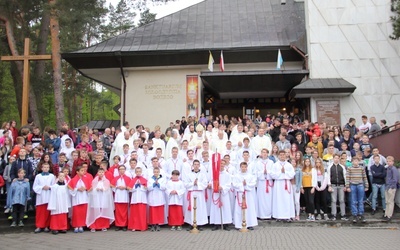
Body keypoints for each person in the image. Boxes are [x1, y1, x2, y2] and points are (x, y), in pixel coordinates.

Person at [183, 159, 208, 230]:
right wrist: (193, 183)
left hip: (199, 193)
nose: (196, 166)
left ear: (199, 166)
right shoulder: (189, 175)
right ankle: (191, 223)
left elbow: (205, 184)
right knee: (191, 209)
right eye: (195, 164)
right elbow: (186, 184)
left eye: (197, 164)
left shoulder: (202, 175)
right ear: (192, 166)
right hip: (192, 193)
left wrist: (198, 183)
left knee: (200, 209)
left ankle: (200, 223)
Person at [232, 161, 258, 229]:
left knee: (249, 209)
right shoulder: (237, 176)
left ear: (247, 168)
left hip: (248, 194)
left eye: (245, 167)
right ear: (240, 167)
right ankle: (239, 224)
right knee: (239, 209)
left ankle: (249, 224)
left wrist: (246, 184)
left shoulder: (250, 176)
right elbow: (234, 184)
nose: (243, 168)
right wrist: (241, 185)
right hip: (240, 194)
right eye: (242, 167)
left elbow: (253, 184)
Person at [209, 159, 232, 231]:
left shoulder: (227, 174)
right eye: (220, 163)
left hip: (224, 194)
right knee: (216, 209)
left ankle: (226, 224)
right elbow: (211, 181)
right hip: (216, 193)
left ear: (225, 165)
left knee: (225, 208)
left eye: (223, 163)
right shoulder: (215, 174)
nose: (221, 165)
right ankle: (216, 224)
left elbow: (229, 184)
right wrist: (214, 186)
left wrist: (222, 187)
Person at [68, 165, 92, 233]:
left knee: (83, 212)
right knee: (76, 213)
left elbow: (90, 188)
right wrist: (77, 189)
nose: (83, 171)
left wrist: (85, 189)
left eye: (84, 170)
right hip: (77, 198)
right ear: (77, 172)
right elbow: (70, 189)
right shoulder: (73, 180)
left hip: (84, 197)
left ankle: (81, 225)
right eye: (81, 170)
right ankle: (76, 226)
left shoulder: (86, 179)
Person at [33, 162, 55, 233]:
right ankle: (39, 226)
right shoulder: (38, 176)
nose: (46, 169)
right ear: (42, 168)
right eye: (44, 167)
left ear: (49, 168)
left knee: (47, 212)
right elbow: (35, 186)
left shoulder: (52, 176)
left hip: (49, 195)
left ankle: (46, 226)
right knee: (40, 212)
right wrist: (42, 187)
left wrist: (49, 187)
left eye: (47, 167)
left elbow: (54, 186)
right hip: (41, 196)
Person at [346, 157, 369, 223]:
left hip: (360, 185)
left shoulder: (361, 168)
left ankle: (361, 214)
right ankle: (354, 214)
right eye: (354, 161)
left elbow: (365, 177)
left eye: (357, 161)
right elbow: (347, 177)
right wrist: (347, 186)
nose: (355, 162)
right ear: (352, 162)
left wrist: (366, 186)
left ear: (358, 161)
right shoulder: (349, 168)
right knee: (353, 201)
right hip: (352, 185)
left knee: (361, 200)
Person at [327, 154, 348, 221]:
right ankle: (333, 214)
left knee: (342, 200)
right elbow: (328, 177)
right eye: (335, 158)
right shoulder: (330, 167)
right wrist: (329, 185)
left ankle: (343, 214)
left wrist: (346, 185)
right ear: (333, 159)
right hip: (333, 185)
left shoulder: (342, 167)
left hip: (341, 185)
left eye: (337, 158)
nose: (336, 159)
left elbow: (345, 176)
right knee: (333, 200)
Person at [111, 165, 131, 231]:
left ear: (125, 170)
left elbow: (130, 188)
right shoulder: (116, 178)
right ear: (118, 171)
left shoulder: (128, 178)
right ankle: (118, 224)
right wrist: (117, 187)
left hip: (125, 195)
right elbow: (112, 186)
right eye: (120, 169)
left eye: (123, 169)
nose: (122, 171)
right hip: (118, 195)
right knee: (118, 212)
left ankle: (124, 225)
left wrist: (125, 187)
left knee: (124, 211)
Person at [127, 167, 148, 231]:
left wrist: (141, 186)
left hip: (142, 199)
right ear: (135, 172)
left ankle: (142, 227)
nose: (138, 173)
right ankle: (134, 226)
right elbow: (129, 190)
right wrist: (135, 187)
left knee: (141, 214)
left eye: (139, 171)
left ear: (141, 172)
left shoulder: (144, 180)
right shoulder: (133, 180)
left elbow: (146, 189)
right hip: (135, 198)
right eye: (137, 171)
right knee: (134, 214)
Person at [256, 149, 274, 220]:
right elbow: (256, 173)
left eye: (265, 152)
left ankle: (269, 214)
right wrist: (263, 173)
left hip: (269, 182)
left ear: (267, 154)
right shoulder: (258, 163)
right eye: (263, 152)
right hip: (261, 183)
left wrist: (268, 172)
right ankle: (261, 214)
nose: (264, 154)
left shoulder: (271, 162)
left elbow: (273, 172)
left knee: (269, 199)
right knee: (261, 198)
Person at [147, 167, 166, 231]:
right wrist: (153, 184)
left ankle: (158, 224)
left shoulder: (162, 179)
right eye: (155, 172)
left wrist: (159, 184)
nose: (156, 173)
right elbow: (148, 188)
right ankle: (153, 224)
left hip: (159, 197)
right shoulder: (150, 179)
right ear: (153, 172)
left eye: (157, 172)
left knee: (159, 211)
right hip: (152, 197)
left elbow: (164, 187)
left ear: (159, 172)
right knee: (153, 211)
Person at [382, 156, 399, 222]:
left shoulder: (393, 169)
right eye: (387, 161)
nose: (388, 163)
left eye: (390, 161)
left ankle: (389, 215)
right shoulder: (388, 168)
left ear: (393, 162)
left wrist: (391, 185)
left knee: (390, 201)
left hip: (391, 187)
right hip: (387, 186)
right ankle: (386, 214)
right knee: (387, 201)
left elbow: (395, 179)